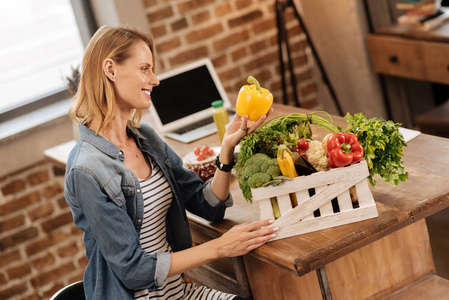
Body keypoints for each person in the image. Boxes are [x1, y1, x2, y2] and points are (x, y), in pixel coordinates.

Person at [64, 25, 278, 300]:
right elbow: (134, 270)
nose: (155, 80)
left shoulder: (146, 140)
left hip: (178, 294)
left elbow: (207, 205)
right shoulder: (86, 170)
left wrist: (227, 148)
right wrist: (220, 247)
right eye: (145, 69)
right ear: (110, 69)